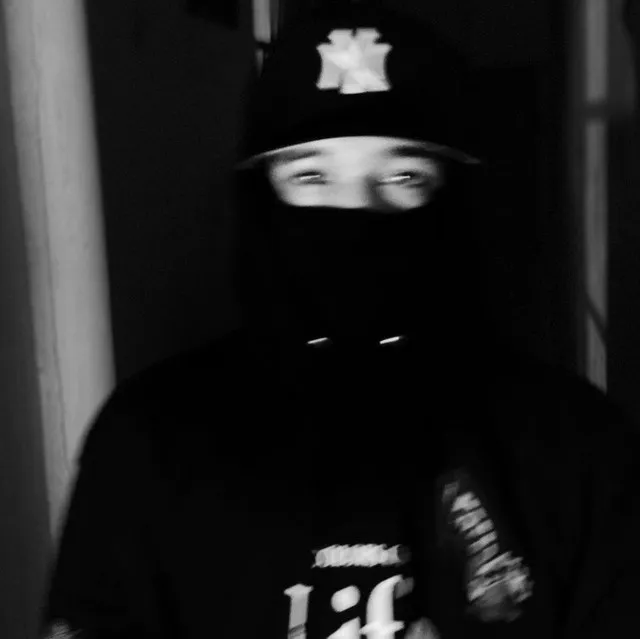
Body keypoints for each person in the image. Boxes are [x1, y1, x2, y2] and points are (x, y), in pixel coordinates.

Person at [40, 2, 640, 638]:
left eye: (404, 175)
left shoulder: (576, 449)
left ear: (458, 200)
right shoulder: (146, 446)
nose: (356, 215)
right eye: (312, 176)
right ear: (259, 198)